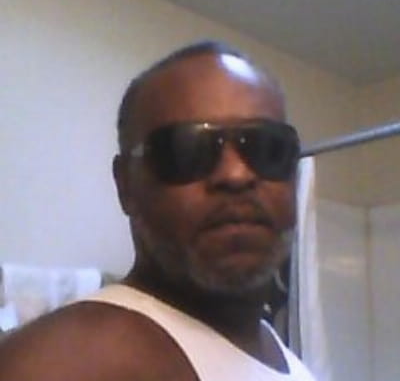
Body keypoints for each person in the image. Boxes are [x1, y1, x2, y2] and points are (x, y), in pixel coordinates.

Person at [0, 41, 315, 381]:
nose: (236, 174)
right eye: (186, 150)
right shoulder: (71, 360)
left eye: (268, 148)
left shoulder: (278, 352)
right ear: (126, 185)